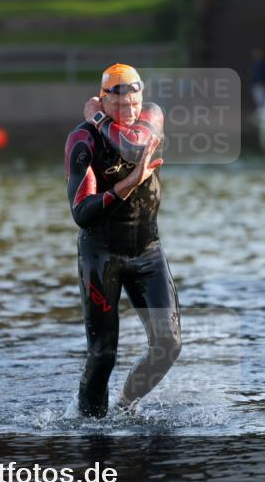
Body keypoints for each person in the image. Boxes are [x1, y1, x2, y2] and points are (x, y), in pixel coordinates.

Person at [65, 64, 181, 418]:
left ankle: (125, 407)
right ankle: (88, 428)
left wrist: (102, 119)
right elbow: (82, 212)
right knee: (103, 354)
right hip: (102, 256)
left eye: (133, 104)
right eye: (119, 107)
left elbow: (134, 148)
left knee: (168, 345)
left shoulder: (151, 116)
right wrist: (125, 186)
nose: (130, 113)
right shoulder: (83, 139)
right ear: (103, 101)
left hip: (147, 251)